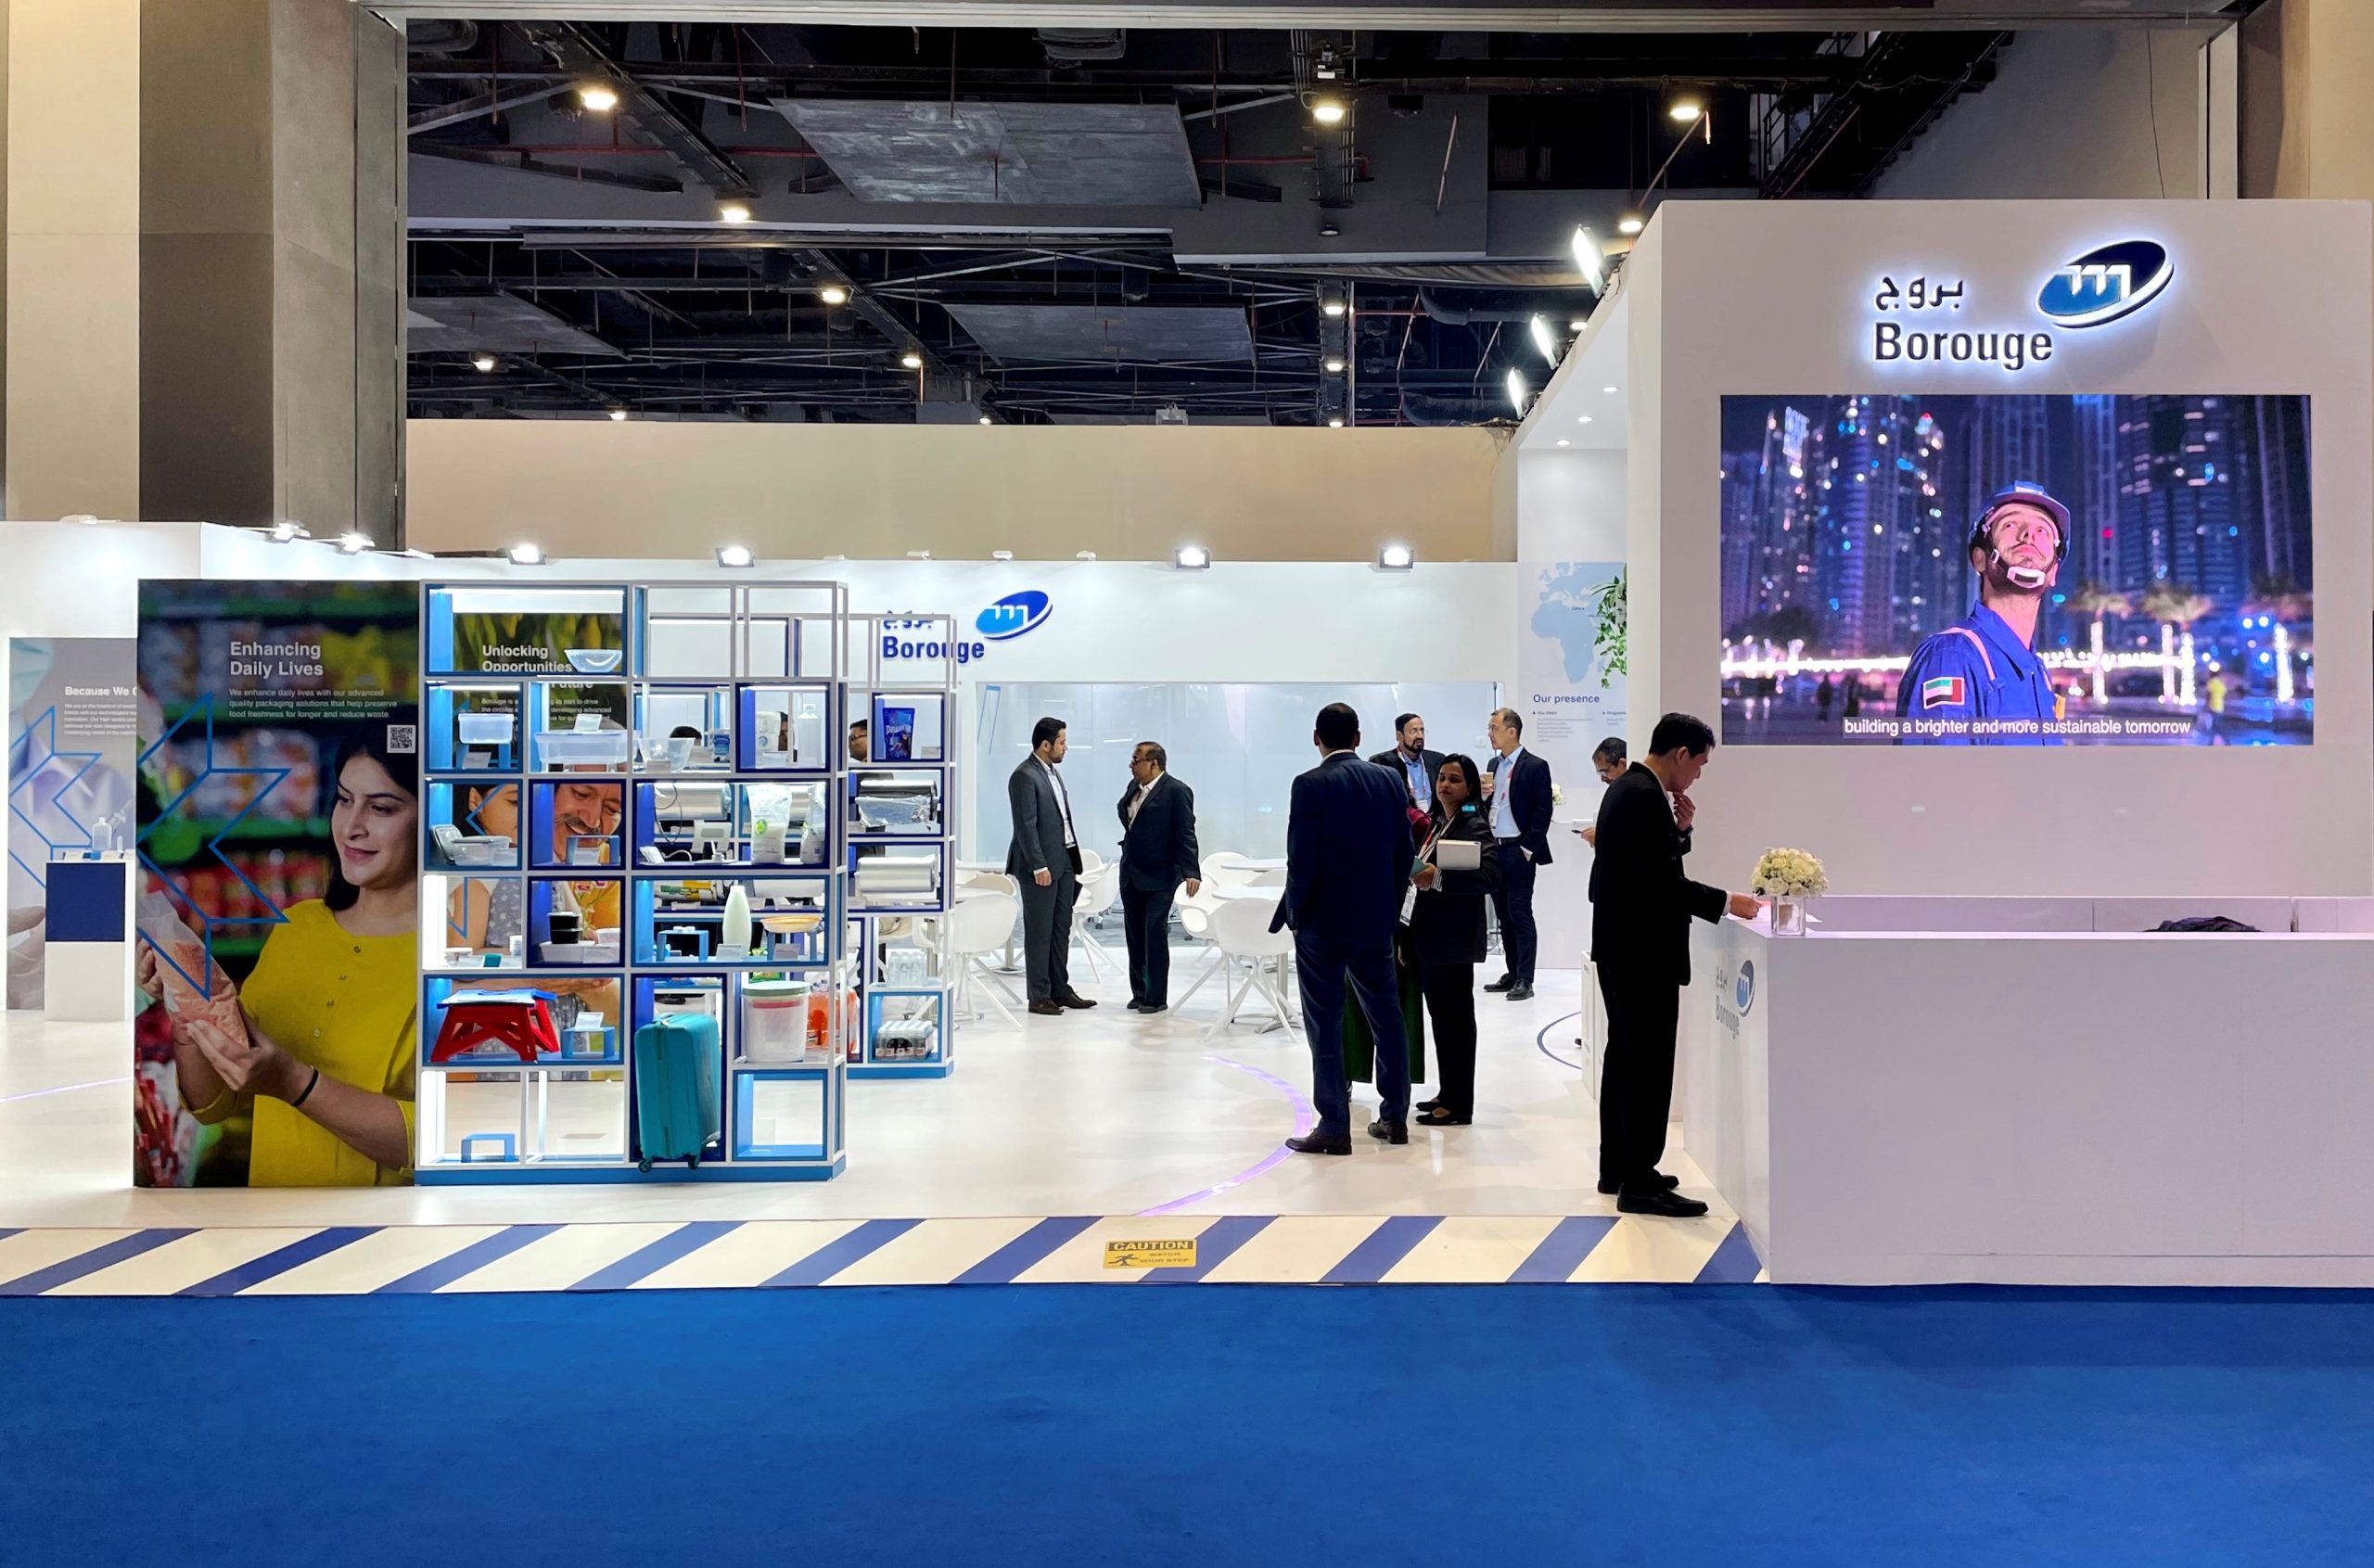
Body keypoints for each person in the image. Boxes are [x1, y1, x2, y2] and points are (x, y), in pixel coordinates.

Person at [137, 733, 420, 1187]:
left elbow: (441, 1141)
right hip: (274, 1221)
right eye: (344, 800)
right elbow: (212, 1103)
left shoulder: (453, 957)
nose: (351, 826)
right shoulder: (297, 928)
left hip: (388, 1226)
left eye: (382, 808)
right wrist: (186, 1008)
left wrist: (294, 1083)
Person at [1589, 713, 1763, 1217]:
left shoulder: (1628, 789)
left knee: (1625, 1060)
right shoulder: (1643, 795)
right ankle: (1640, 1181)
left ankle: (1619, 1167)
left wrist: (1681, 831)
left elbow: (1640, 865)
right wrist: (1726, 901)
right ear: (1681, 754)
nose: (1698, 775)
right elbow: (1658, 884)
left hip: (1622, 947)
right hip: (1643, 953)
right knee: (1646, 1065)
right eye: (1700, 764)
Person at [1272, 703, 1415, 1153]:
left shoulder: (1309, 784)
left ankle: (1334, 1125)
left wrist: (1297, 915)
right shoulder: (1388, 780)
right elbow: (1403, 853)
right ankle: (1394, 1118)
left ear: (1317, 738)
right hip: (1374, 920)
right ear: (1358, 738)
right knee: (1387, 1018)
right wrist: (1390, 908)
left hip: (1322, 924)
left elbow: (1301, 859)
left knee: (1325, 1023)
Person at [1896, 481, 2069, 746]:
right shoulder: (1952, 657)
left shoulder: (2040, 674)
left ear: (2053, 572)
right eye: (2010, 524)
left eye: (2043, 530)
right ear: (1980, 559)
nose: (2029, 535)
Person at [1407, 754, 1501, 1128]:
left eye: (1454, 780)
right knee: (1443, 1021)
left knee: (1456, 1023)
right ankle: (1449, 1091)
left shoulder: (1472, 824)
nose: (1445, 785)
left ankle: (1460, 1103)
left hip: (1454, 941)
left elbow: (1490, 877)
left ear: (1469, 788)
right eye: (1441, 778)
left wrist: (1437, 879)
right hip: (1433, 938)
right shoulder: (1437, 823)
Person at [1005, 716, 1093, 1016]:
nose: (1065, 747)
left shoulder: (1053, 774)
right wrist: (1038, 865)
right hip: (1041, 866)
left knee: (1059, 930)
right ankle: (1039, 995)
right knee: (1040, 932)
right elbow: (1025, 826)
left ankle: (1060, 989)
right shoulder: (1024, 776)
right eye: (1062, 742)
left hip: (1065, 860)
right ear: (1046, 745)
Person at [1115, 741, 1202, 1013]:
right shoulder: (1134, 788)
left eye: (1136, 760)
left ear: (1154, 763)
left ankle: (1155, 997)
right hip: (1132, 872)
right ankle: (1139, 992)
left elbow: (1185, 832)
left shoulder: (1176, 791)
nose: (1131, 765)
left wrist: (1191, 871)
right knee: (1135, 935)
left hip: (1160, 875)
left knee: (1154, 933)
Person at [1481, 707, 1553, 1001]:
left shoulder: (1535, 766)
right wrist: (1483, 797)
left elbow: (1543, 811)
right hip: (1495, 849)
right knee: (1503, 916)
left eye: (1494, 728)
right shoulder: (1493, 764)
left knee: (1520, 913)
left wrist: (1527, 849)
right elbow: (1489, 807)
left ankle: (1525, 978)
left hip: (1518, 850)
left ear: (1512, 731)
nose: (1490, 734)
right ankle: (1512, 972)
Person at [1368, 712, 1444, 812]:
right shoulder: (1381, 763)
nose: (1420, 736)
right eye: (1414, 731)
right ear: (1399, 736)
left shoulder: (1437, 760)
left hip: (1433, 820)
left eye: (1422, 730)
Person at [1576, 735, 1627, 848]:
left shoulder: (1639, 793)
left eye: (1605, 772)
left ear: (1623, 764)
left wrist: (1602, 837)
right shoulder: (1618, 792)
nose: (1603, 779)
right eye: (1600, 774)